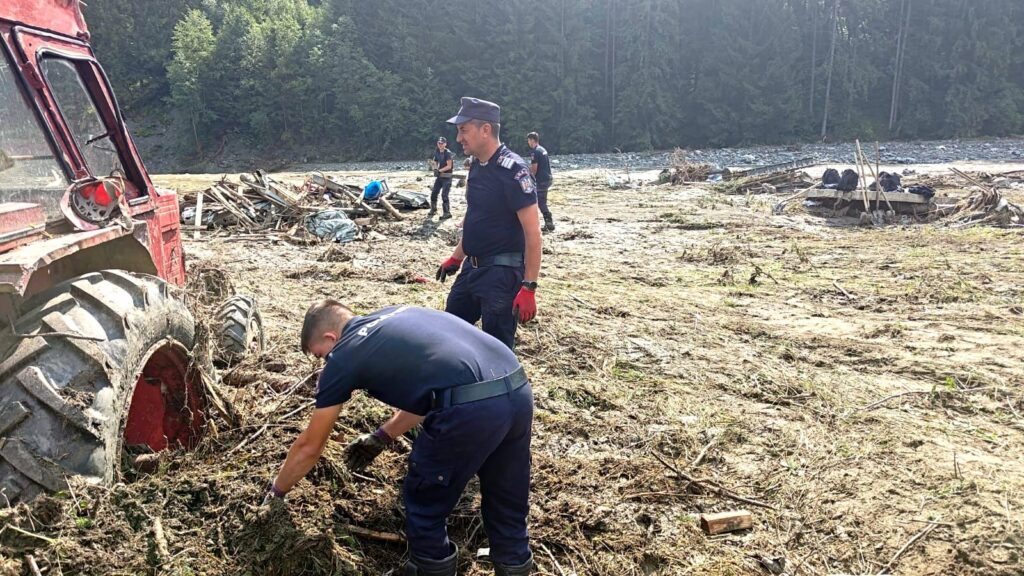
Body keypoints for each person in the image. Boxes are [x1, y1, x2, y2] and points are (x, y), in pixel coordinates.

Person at [264, 300, 535, 576]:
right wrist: (383, 436)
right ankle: (514, 563)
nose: (324, 363)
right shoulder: (399, 314)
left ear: (330, 337)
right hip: (517, 388)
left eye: (321, 355)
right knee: (507, 492)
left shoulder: (344, 354)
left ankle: (430, 567)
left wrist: (276, 493)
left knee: (425, 497)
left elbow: (310, 446)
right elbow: (437, 391)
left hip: (472, 411)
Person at [435, 97, 542, 350]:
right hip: (472, 270)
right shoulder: (477, 167)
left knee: (497, 350)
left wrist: (529, 287)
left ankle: (505, 389)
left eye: (464, 130)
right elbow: (477, 220)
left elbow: (533, 233)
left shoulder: (513, 170)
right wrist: (456, 258)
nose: (459, 138)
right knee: (449, 331)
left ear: (486, 130)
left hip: (501, 275)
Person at [526, 132, 554, 232]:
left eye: (528, 140)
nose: (528, 142)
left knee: (540, 202)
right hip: (548, 178)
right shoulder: (542, 149)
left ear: (532, 140)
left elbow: (534, 169)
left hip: (541, 180)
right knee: (541, 201)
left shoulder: (535, 152)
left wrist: (529, 179)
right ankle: (547, 223)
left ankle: (549, 221)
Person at [430, 136, 454, 219]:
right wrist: (435, 169)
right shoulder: (437, 151)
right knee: (434, 192)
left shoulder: (448, 153)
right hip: (440, 177)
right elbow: (434, 162)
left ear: (445, 144)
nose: (440, 144)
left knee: (444, 194)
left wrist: (439, 170)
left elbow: (449, 166)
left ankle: (447, 213)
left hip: (447, 177)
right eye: (439, 143)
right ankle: (433, 209)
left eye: (442, 143)